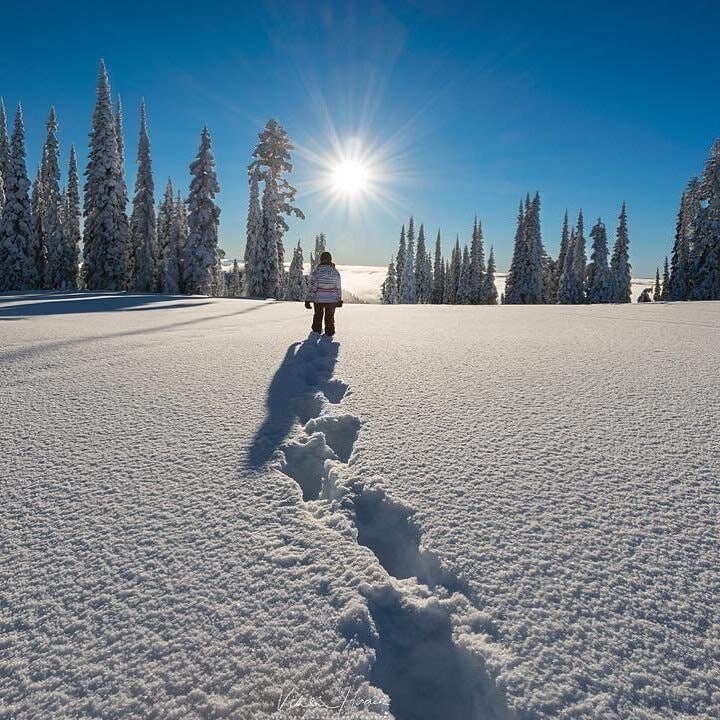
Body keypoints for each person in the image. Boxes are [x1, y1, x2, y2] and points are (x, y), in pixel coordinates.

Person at [305, 251, 342, 337]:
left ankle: (316, 332)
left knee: (318, 316)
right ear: (330, 260)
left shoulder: (316, 272)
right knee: (329, 317)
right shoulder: (335, 272)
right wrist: (339, 300)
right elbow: (338, 288)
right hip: (332, 300)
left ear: (321, 260)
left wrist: (308, 300)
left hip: (318, 299)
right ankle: (329, 333)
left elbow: (312, 288)